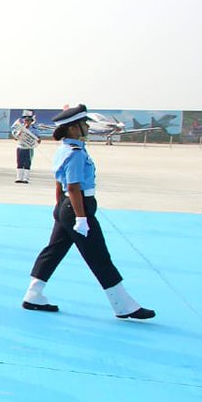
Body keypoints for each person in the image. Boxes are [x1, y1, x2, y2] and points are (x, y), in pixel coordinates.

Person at [22, 104, 155, 320]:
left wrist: (59, 208)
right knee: (99, 256)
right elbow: (73, 186)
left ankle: (33, 293)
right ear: (73, 129)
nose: (87, 127)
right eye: (84, 124)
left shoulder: (67, 148)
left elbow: (60, 184)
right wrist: (81, 217)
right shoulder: (74, 153)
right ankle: (123, 305)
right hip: (78, 207)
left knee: (53, 251)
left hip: (67, 206)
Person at [11, 110, 40, 183]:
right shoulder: (19, 128)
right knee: (19, 162)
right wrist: (22, 130)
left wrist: (37, 140)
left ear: (31, 121)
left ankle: (26, 178)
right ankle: (19, 177)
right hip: (20, 147)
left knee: (27, 163)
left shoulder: (34, 129)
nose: (27, 122)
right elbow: (15, 138)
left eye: (28, 120)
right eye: (25, 120)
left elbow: (38, 139)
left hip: (29, 148)